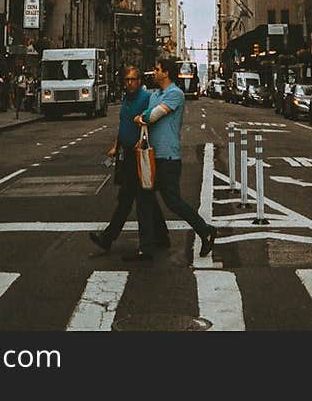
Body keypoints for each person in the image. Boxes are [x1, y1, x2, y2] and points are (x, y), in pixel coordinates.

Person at [131, 55, 216, 264]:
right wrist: (143, 116)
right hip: (151, 155)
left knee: (173, 201)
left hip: (168, 156)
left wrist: (143, 117)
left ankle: (205, 230)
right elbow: (146, 114)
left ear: (166, 72)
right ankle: (147, 247)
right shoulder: (155, 95)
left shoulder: (175, 94)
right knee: (144, 199)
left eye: (158, 69)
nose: (155, 72)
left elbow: (151, 117)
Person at [89, 67, 170, 257]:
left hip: (139, 154)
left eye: (133, 80)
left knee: (130, 198)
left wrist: (142, 141)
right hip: (125, 155)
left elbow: (152, 121)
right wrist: (115, 146)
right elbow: (123, 125)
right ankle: (162, 236)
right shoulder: (126, 99)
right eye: (126, 80)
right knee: (142, 196)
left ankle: (112, 239)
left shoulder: (146, 98)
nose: (129, 83)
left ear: (139, 80)